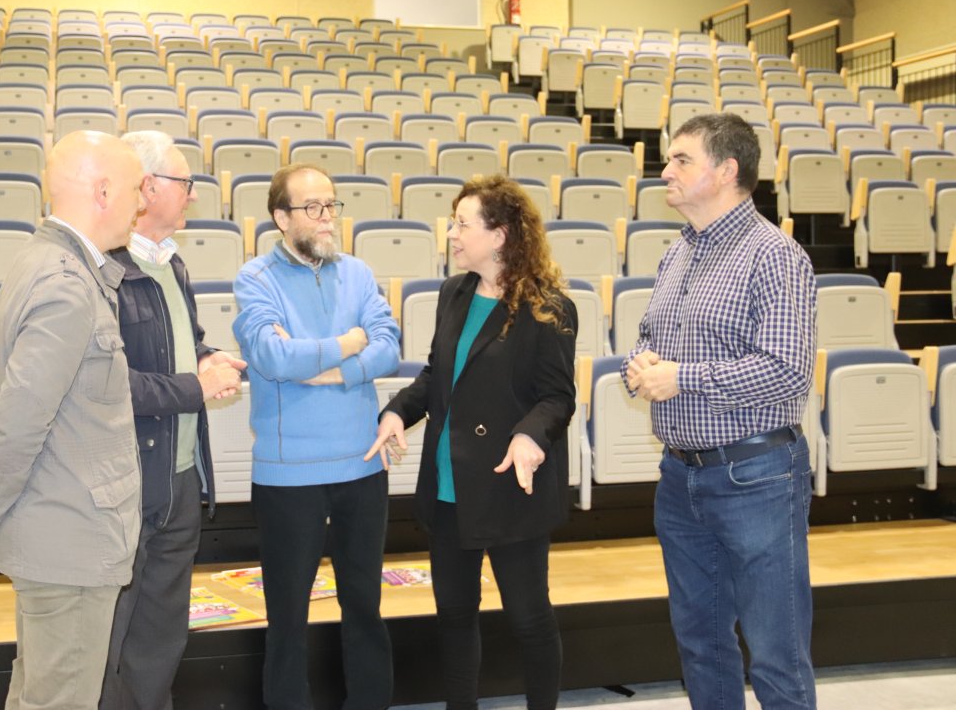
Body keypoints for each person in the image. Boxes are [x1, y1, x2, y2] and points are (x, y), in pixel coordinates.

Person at [0, 130, 147, 710]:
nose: (141, 204)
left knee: (39, 695)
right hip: (69, 542)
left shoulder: (48, 264)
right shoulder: (66, 284)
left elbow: (12, 401)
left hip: (59, 532)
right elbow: (18, 419)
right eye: (135, 189)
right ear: (103, 192)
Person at [622, 113, 818, 709]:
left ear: (728, 170)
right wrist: (639, 364)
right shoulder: (677, 253)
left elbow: (788, 369)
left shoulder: (774, 255)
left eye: (682, 159)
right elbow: (651, 338)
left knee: (776, 653)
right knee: (701, 643)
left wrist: (681, 377)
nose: (666, 170)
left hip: (756, 477)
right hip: (680, 475)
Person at [370, 174, 576, 710]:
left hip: (510, 484)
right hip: (449, 485)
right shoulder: (454, 293)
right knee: (455, 617)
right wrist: (397, 411)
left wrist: (530, 435)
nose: (452, 234)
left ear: (500, 235)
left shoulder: (548, 306)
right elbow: (438, 374)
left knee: (530, 619)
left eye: (463, 225)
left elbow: (557, 397)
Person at [232, 163, 400, 710]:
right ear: (281, 218)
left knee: (364, 607)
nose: (327, 217)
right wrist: (349, 342)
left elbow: (389, 347)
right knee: (287, 617)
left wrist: (330, 368)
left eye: (331, 204)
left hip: (362, 466)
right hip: (289, 475)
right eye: (312, 207)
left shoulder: (358, 272)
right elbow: (273, 357)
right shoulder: (256, 279)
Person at [99, 131, 246, 710]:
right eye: (185, 183)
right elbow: (108, 386)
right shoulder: (104, 271)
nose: (193, 194)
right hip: (126, 483)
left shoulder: (171, 264)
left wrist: (207, 358)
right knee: (107, 640)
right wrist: (195, 386)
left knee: (161, 639)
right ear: (148, 187)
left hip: (180, 479)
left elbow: (183, 344)